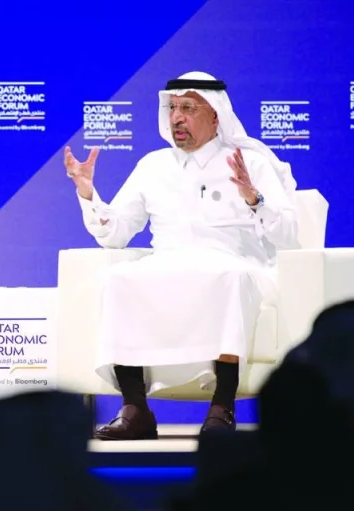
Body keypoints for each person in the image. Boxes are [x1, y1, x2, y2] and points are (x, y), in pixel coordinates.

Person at [63, 72, 300, 438]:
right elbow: (116, 232)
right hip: (169, 261)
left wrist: (254, 198)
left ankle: (223, 407)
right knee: (119, 279)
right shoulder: (153, 166)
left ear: (216, 115)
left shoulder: (249, 162)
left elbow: (288, 235)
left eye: (188, 108)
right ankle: (135, 409)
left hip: (237, 264)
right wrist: (88, 193)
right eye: (172, 107)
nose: (177, 118)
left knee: (226, 279)